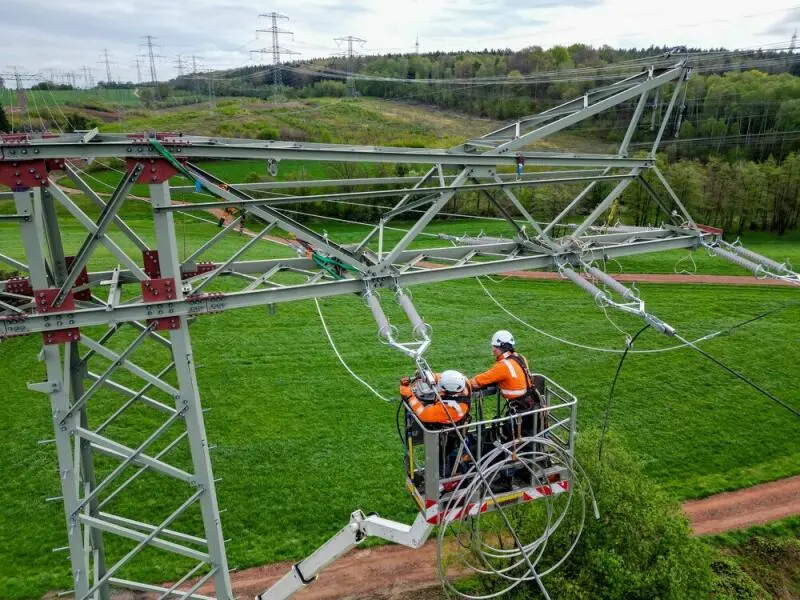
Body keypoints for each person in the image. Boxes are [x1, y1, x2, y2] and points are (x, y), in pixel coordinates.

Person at [470, 330, 534, 406]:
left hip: (519, 407)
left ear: (498, 348)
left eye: (493, 346)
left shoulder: (503, 365)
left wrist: (460, 385)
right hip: (531, 401)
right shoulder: (521, 357)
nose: (493, 349)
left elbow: (477, 381)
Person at [400, 370, 471, 425]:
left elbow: (424, 414)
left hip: (447, 429)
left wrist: (408, 393)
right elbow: (443, 378)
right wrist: (429, 376)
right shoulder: (462, 382)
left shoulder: (452, 408)